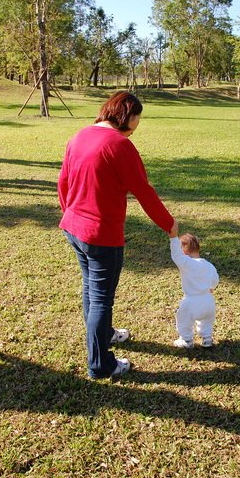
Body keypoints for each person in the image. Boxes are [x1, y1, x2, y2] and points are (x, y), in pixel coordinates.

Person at [58, 91, 178, 379]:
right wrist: (169, 224)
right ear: (128, 116)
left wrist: (69, 213)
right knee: (101, 299)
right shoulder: (119, 145)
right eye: (138, 117)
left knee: (91, 289)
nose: (138, 124)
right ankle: (101, 364)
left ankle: (105, 334)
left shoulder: (80, 135)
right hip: (100, 235)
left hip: (74, 227)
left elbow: (63, 180)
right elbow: (144, 191)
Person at [170, 233, 219, 348]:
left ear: (183, 252)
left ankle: (186, 340)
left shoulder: (186, 263)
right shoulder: (209, 265)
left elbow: (176, 256)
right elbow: (215, 280)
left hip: (191, 301)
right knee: (206, 322)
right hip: (208, 301)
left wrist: (173, 239)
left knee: (183, 320)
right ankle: (207, 339)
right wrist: (211, 288)